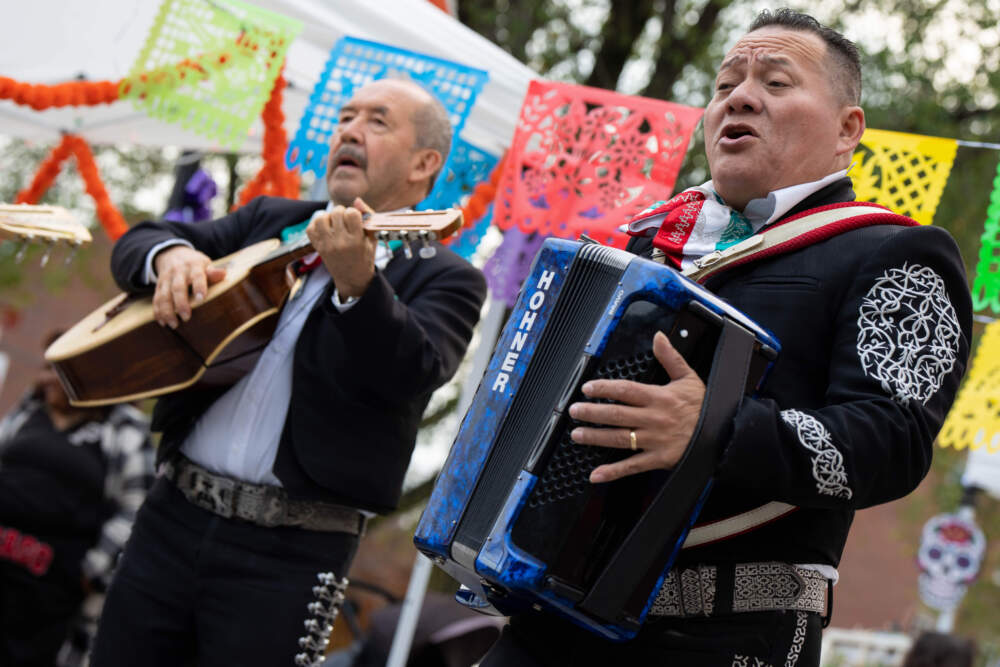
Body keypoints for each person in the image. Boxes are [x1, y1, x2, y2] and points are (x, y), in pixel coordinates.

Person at [480, 9, 972, 667]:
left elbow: (892, 441)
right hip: (544, 622)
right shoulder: (638, 244)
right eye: (725, 84)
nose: (739, 97)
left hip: (728, 632)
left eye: (775, 82)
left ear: (847, 128)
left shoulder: (899, 253)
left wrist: (714, 429)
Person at [90, 78, 488, 666]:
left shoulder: (447, 277)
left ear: (424, 164)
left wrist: (360, 284)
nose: (350, 130)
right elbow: (143, 239)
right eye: (346, 118)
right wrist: (169, 255)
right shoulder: (271, 219)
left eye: (378, 122)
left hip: (291, 556)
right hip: (170, 517)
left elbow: (415, 371)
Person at [0, 330, 154, 667]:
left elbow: (137, 510)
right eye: (46, 368)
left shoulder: (124, 430)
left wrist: (90, 571)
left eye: (61, 368)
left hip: (51, 599)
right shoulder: (29, 411)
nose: (48, 378)